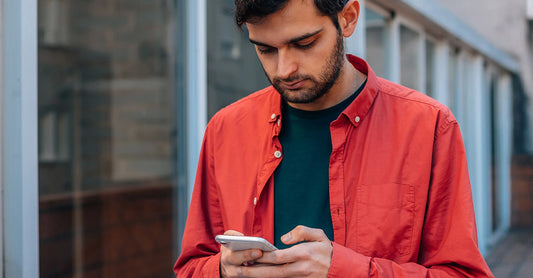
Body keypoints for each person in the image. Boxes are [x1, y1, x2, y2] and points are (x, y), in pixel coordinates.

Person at [174, 0, 494, 277]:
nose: (284, 69)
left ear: (348, 18)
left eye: (304, 43)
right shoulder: (226, 129)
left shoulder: (428, 127)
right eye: (265, 49)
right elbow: (190, 267)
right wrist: (223, 269)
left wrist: (345, 270)